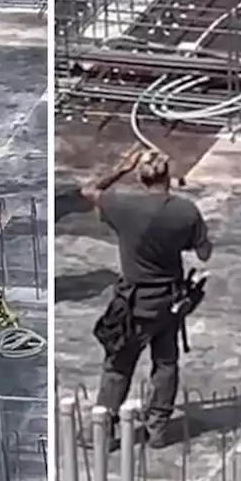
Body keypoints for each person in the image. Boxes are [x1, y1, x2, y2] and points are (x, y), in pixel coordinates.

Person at [81, 146, 212, 449]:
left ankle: (102, 431)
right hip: (170, 301)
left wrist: (120, 168)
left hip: (134, 303)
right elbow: (204, 252)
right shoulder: (185, 211)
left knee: (118, 364)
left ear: (141, 178)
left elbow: (89, 191)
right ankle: (158, 429)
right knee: (165, 363)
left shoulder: (123, 207)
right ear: (168, 175)